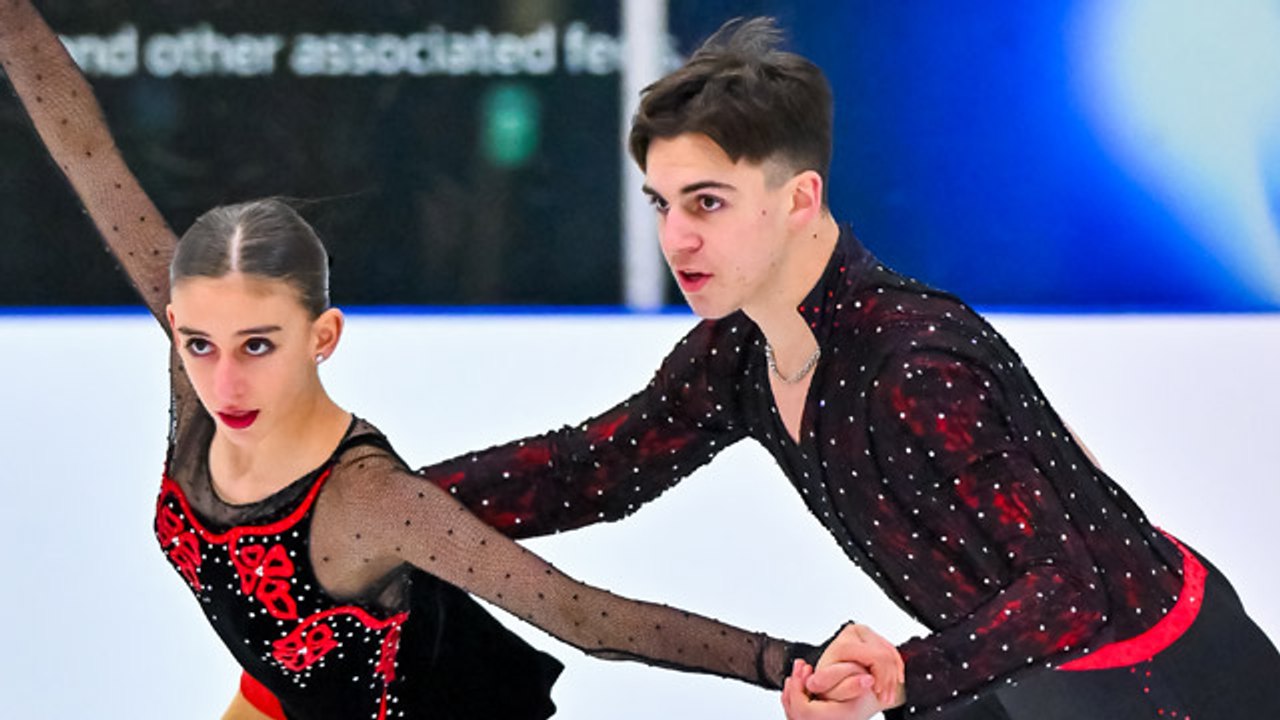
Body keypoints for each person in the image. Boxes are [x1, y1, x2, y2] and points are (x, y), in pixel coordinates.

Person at [0, 4, 906, 718]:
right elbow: (91, 162)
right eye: (197, 344)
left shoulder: (370, 502)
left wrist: (787, 661)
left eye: (258, 347)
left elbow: (584, 616)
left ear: (323, 338)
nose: (223, 381)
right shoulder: (197, 387)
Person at [400, 16, 1280, 720]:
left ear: (800, 199)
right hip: (1016, 670)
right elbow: (593, 469)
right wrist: (371, 500)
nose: (677, 238)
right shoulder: (741, 354)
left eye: (708, 203)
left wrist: (903, 674)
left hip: (1162, 679)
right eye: (663, 204)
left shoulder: (914, 362)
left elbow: (1070, 590)